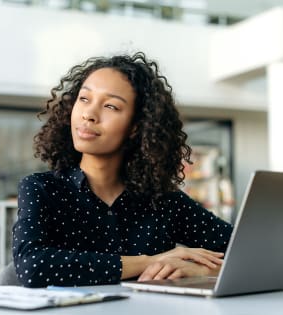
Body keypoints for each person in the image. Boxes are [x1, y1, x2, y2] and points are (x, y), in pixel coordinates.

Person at [12, 52, 233, 288]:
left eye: (110, 106)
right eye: (84, 99)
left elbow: (251, 250)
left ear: (137, 127)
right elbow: (33, 266)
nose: (89, 114)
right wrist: (149, 262)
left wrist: (204, 268)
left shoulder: (164, 201)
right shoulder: (42, 188)